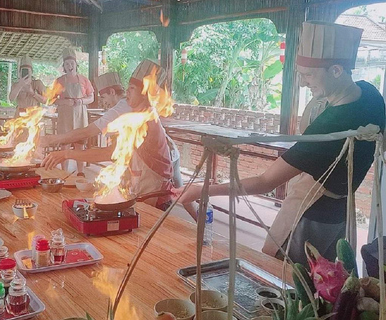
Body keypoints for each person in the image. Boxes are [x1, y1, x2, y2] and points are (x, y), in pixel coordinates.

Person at [175, 21, 386, 265]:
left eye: (308, 75)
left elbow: (265, 182)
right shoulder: (370, 94)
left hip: (310, 214)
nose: (303, 83)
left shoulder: (329, 126)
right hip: (340, 213)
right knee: (328, 280)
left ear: (336, 70)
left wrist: (204, 190)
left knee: (281, 272)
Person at [42, 59, 173, 210]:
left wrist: (66, 153)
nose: (127, 92)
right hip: (143, 190)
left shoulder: (145, 120)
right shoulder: (136, 115)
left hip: (156, 197)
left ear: (145, 95)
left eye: (131, 88)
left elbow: (110, 153)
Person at [50, 48, 94, 177]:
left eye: (72, 63)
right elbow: (51, 99)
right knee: (65, 146)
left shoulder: (84, 80)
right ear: (64, 66)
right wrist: (64, 102)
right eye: (67, 64)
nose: (70, 66)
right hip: (65, 117)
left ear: (76, 65)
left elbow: (92, 97)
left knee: (80, 145)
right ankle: (64, 172)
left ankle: (81, 172)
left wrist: (81, 101)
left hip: (80, 114)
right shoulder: (59, 81)